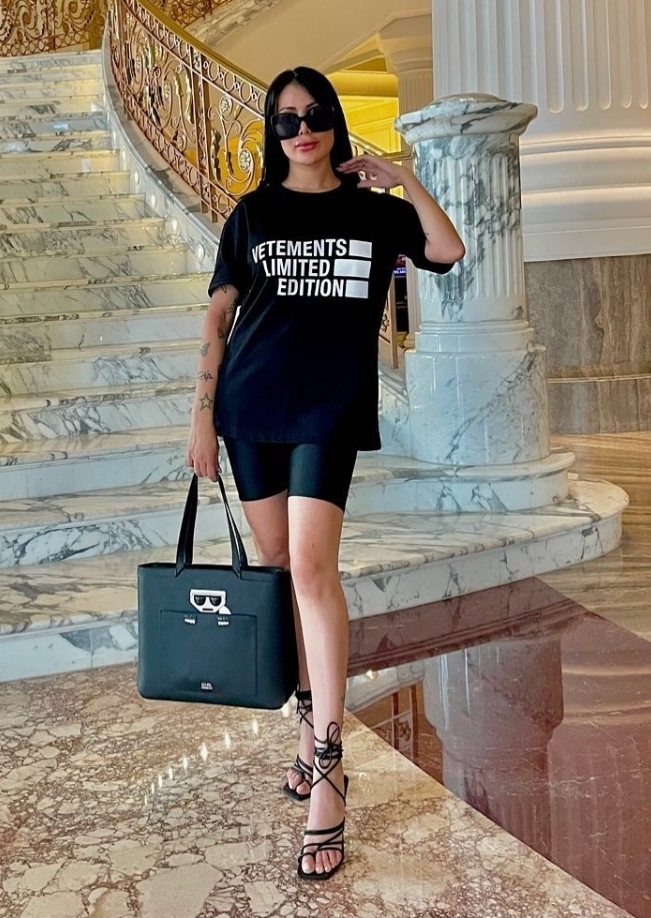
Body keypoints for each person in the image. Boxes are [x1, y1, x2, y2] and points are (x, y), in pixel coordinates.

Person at [186, 66, 465, 881]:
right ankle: (308, 739)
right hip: (248, 407)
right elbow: (219, 314)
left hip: (327, 412)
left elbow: (446, 250)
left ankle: (333, 767)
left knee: (312, 568)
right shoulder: (253, 213)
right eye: (285, 119)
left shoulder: (373, 213)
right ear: (271, 132)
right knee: (280, 566)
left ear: (334, 121)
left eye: (313, 115)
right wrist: (200, 412)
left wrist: (404, 177)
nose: (301, 130)